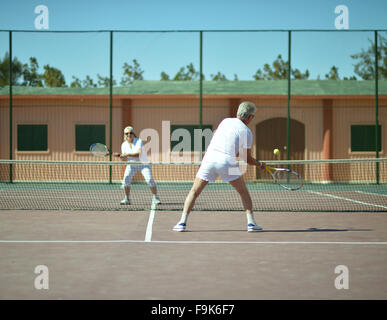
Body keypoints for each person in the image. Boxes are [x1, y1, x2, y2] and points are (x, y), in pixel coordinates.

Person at [173, 101, 266, 232]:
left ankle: (181, 223)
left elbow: (228, 143)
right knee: (243, 192)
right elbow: (246, 158)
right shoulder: (247, 132)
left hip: (209, 159)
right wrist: (259, 164)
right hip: (226, 161)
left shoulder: (225, 121)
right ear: (250, 117)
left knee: (194, 192)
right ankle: (251, 224)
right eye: (253, 116)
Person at [118, 126, 161, 206]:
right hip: (132, 165)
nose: (129, 135)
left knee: (149, 180)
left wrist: (126, 154)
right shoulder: (123, 145)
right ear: (124, 135)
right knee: (126, 180)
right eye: (127, 133)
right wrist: (122, 157)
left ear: (133, 134)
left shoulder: (138, 141)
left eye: (130, 133)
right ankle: (127, 198)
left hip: (143, 164)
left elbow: (138, 154)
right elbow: (125, 159)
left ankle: (155, 197)